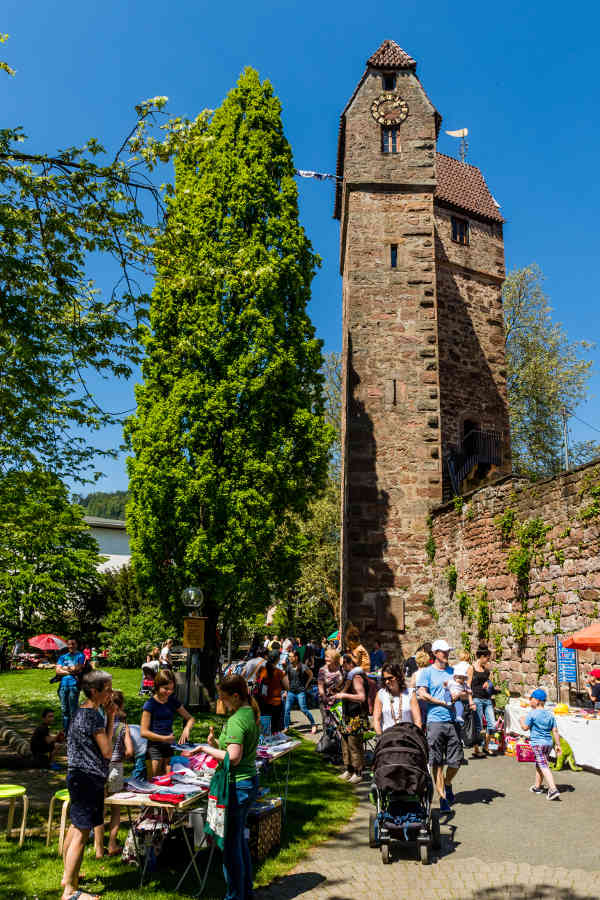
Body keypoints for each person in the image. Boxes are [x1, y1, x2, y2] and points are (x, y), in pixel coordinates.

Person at [200, 675, 260, 900]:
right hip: (247, 781)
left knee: (230, 848)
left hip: (238, 785)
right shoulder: (249, 713)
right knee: (238, 842)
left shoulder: (237, 719)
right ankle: (245, 891)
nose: (221, 703)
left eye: (224, 699)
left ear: (235, 696)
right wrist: (216, 745)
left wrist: (205, 751)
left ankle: (235, 895)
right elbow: (234, 751)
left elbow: (233, 757)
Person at [60, 669, 115, 900]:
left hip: (76, 776)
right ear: (95, 691)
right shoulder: (93, 716)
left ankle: (68, 877)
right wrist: (112, 718)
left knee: (75, 827)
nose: (111, 693)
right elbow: (107, 751)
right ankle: (70, 892)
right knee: (82, 833)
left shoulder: (78, 712)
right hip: (88, 778)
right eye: (108, 689)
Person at [417, 638, 463, 812]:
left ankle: (448, 782)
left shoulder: (453, 671)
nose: (447, 654)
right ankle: (443, 797)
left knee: (456, 760)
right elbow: (421, 693)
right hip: (435, 720)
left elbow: (462, 690)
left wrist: (459, 695)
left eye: (448, 651)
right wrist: (439, 702)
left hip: (452, 720)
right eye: (444, 652)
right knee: (436, 761)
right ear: (435, 653)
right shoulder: (427, 672)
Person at [94, 689, 134, 857]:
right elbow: (130, 751)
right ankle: (112, 844)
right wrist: (123, 754)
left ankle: (98, 848)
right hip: (116, 767)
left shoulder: (99, 724)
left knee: (99, 809)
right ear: (121, 705)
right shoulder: (124, 727)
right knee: (116, 809)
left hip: (100, 767)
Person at [140, 669, 196, 775]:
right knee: (154, 781)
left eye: (171, 689)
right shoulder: (150, 704)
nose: (169, 692)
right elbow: (143, 732)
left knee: (167, 779)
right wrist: (164, 738)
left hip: (168, 747)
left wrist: (187, 729)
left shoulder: (172, 701)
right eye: (166, 689)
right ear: (157, 686)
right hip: (154, 748)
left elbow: (190, 718)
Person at [520, 688, 561, 801]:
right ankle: (537, 787)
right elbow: (555, 731)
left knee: (543, 765)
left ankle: (553, 789)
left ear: (537, 700)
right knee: (540, 764)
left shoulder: (532, 714)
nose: (529, 701)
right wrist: (558, 745)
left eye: (531, 699)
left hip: (537, 744)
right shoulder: (550, 714)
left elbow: (524, 728)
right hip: (548, 743)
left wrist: (521, 720)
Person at [334, 654, 369, 783]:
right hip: (347, 715)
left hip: (356, 716)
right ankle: (348, 770)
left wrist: (343, 695)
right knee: (345, 743)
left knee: (355, 745)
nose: (342, 667)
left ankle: (358, 772)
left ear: (350, 664)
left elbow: (362, 697)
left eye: (343, 664)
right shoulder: (348, 676)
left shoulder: (357, 677)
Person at [373, 662, 421, 734]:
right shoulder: (381, 694)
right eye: (384, 679)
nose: (387, 682)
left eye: (390, 678)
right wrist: (380, 737)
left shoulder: (410, 693)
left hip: (408, 737)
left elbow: (417, 720)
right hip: (387, 738)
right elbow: (376, 720)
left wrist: (416, 737)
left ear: (398, 677)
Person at [56, 638, 86, 733]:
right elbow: (57, 671)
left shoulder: (81, 655)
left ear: (76, 645)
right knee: (64, 710)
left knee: (73, 710)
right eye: (69, 644)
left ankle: (74, 732)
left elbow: (77, 668)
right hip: (63, 686)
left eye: (73, 644)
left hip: (74, 685)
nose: (71, 646)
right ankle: (66, 731)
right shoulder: (63, 657)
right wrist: (70, 671)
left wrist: (64, 668)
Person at [471, 644, 497, 757]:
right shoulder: (471, 668)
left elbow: (489, 683)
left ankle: (486, 746)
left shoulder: (486, 671)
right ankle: (476, 748)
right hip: (476, 698)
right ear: (481, 656)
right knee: (479, 725)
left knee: (492, 724)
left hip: (487, 699)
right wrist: (470, 700)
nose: (488, 660)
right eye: (487, 658)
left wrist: (489, 684)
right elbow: (467, 685)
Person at [284, 650, 317, 733]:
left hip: (300, 692)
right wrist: (286, 690)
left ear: (296, 657)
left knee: (303, 709)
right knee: (287, 709)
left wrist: (306, 685)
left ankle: (313, 724)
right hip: (291, 691)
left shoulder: (303, 667)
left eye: (291, 656)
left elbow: (311, 674)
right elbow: (287, 679)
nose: (289, 658)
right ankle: (286, 727)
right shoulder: (288, 667)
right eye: (289, 656)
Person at [256, 651, 288, 733]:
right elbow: (288, 686)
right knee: (275, 728)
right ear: (277, 660)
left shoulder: (261, 670)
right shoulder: (279, 672)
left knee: (264, 726)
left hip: (263, 702)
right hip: (276, 703)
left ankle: (264, 741)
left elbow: (257, 682)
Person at [317, 648, 344, 728]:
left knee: (339, 720)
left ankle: (340, 739)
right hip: (325, 699)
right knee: (327, 721)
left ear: (334, 658)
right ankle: (327, 739)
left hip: (338, 699)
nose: (326, 658)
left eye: (328, 657)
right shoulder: (322, 670)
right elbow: (320, 685)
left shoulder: (341, 668)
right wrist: (324, 697)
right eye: (325, 656)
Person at [446, 661, 475, 726]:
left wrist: (468, 691)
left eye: (462, 678)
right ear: (455, 677)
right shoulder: (452, 682)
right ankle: (448, 702)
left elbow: (468, 689)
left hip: (458, 698)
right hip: (451, 694)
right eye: (459, 678)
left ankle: (459, 716)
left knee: (460, 706)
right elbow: (446, 687)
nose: (460, 680)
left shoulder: (464, 684)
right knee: (447, 694)